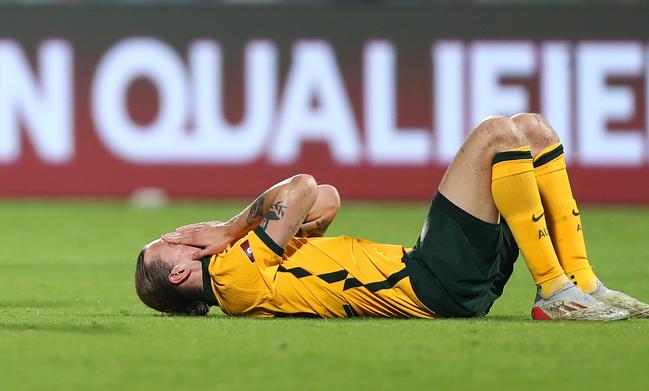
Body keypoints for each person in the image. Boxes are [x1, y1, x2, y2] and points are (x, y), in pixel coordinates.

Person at [135, 113, 649, 320]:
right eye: (171, 239)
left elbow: (326, 198)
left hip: (445, 280)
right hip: (429, 281)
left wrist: (244, 228)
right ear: (181, 272)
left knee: (531, 131)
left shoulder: (258, 268)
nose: (184, 230)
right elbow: (302, 185)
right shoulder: (233, 276)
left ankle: (578, 281)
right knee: (497, 135)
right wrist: (230, 228)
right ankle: (555, 292)